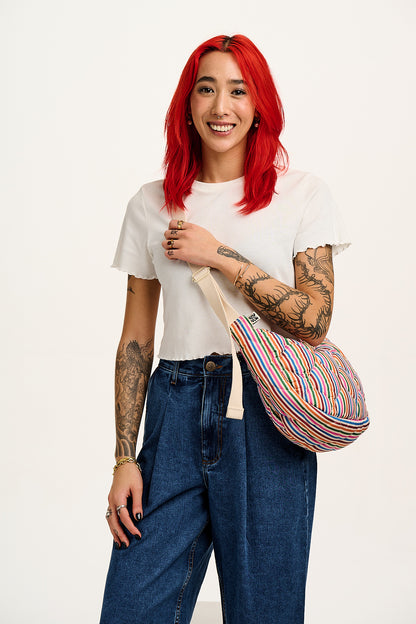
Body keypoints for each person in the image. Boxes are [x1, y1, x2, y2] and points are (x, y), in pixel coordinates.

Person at [99, 34, 350, 624]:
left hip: (266, 413)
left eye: (239, 91)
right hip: (173, 408)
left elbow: (315, 319)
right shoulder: (151, 204)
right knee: (131, 608)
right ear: (187, 103)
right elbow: (135, 340)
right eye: (206, 89)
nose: (221, 107)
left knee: (266, 612)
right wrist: (123, 457)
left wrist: (219, 255)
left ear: (259, 104)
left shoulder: (300, 194)